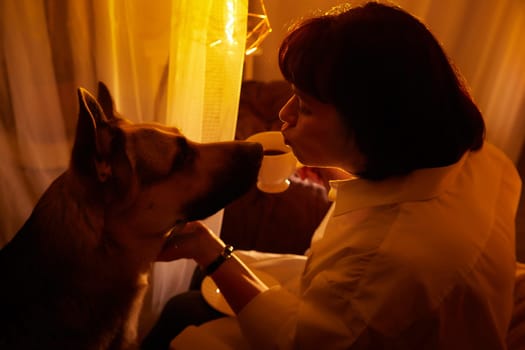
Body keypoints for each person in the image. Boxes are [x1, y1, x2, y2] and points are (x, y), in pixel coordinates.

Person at [141, 1, 522, 349]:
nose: (284, 115)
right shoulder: (484, 162)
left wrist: (211, 252)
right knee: (193, 294)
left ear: (373, 126)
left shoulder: (389, 257)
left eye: (304, 108)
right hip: (348, 303)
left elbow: (298, 340)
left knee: (182, 315)